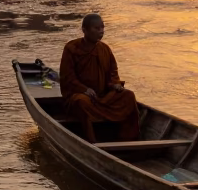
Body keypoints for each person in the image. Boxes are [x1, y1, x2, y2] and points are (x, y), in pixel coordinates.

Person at [59, 14, 140, 145]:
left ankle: (127, 138)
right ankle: (92, 142)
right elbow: (67, 77)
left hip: (103, 96)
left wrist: (115, 85)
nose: (101, 31)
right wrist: (84, 89)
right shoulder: (71, 48)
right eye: (97, 28)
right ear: (84, 30)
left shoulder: (105, 49)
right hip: (81, 94)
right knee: (81, 102)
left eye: (102, 27)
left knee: (128, 96)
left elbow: (112, 73)